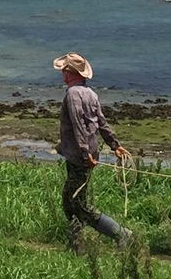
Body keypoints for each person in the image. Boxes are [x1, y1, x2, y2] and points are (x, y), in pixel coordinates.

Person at [54, 52, 133, 248]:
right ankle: (76, 244)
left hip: (80, 156)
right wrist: (114, 144)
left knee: (76, 203)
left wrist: (83, 152)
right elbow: (102, 123)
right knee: (72, 200)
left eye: (64, 70)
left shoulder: (72, 94)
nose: (63, 73)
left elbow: (78, 124)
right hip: (87, 154)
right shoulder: (91, 94)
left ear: (69, 73)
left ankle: (120, 234)